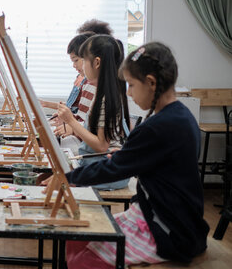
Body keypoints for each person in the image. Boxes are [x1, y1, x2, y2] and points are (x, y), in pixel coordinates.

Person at [64, 42, 209, 268]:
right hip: (175, 219)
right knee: (76, 241)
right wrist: (128, 154)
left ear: (151, 83)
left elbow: (114, 168)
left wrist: (67, 178)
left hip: (167, 228)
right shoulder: (182, 116)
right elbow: (157, 161)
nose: (129, 93)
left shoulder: (159, 126)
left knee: (85, 258)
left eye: (131, 85)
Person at [55, 34, 131, 190]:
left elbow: (101, 146)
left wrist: (71, 121)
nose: (81, 67)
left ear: (96, 63)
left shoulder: (107, 98)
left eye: (84, 61)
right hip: (100, 164)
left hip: (109, 170)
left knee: (59, 182)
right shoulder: (101, 93)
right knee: (53, 174)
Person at [40, 32, 93, 116]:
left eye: (76, 60)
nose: (74, 65)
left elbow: (81, 116)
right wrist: (46, 104)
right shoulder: (80, 78)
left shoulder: (90, 84)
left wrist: (67, 119)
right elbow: (73, 108)